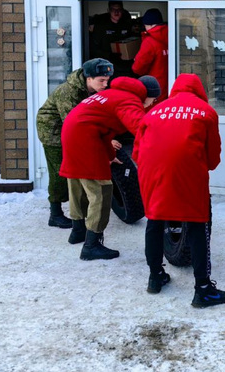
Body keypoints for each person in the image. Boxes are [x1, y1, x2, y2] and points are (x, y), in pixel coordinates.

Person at [133, 74, 225, 307]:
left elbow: (137, 151)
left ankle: (155, 277)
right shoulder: (205, 111)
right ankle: (203, 289)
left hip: (152, 172)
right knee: (198, 224)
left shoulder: (154, 111)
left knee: (155, 221)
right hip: (187, 172)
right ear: (200, 89)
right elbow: (212, 157)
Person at [60, 75, 161, 260]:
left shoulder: (112, 93)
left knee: (76, 183)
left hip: (71, 132)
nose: (153, 103)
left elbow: (104, 130)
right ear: (146, 95)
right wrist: (163, 144)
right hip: (86, 138)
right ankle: (92, 245)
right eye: (154, 99)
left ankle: (77, 232)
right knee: (101, 190)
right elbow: (141, 128)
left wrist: (110, 156)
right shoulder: (129, 100)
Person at [35, 58, 113, 230]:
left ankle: (81, 210)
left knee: (76, 171)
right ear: (89, 78)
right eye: (101, 80)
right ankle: (55, 214)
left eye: (107, 80)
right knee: (60, 172)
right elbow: (74, 122)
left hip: (71, 131)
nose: (105, 84)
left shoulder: (92, 90)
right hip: (53, 133)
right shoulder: (68, 92)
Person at [132, 8, 169, 105]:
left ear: (149, 24)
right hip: (168, 84)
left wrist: (136, 60)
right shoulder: (172, 35)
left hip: (153, 87)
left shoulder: (150, 41)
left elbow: (137, 68)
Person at [89, 0, 136, 75]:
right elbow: (94, 49)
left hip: (125, 67)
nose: (116, 12)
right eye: (113, 10)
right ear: (109, 11)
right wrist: (109, 55)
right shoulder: (101, 27)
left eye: (119, 10)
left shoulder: (127, 25)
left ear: (122, 11)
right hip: (106, 67)